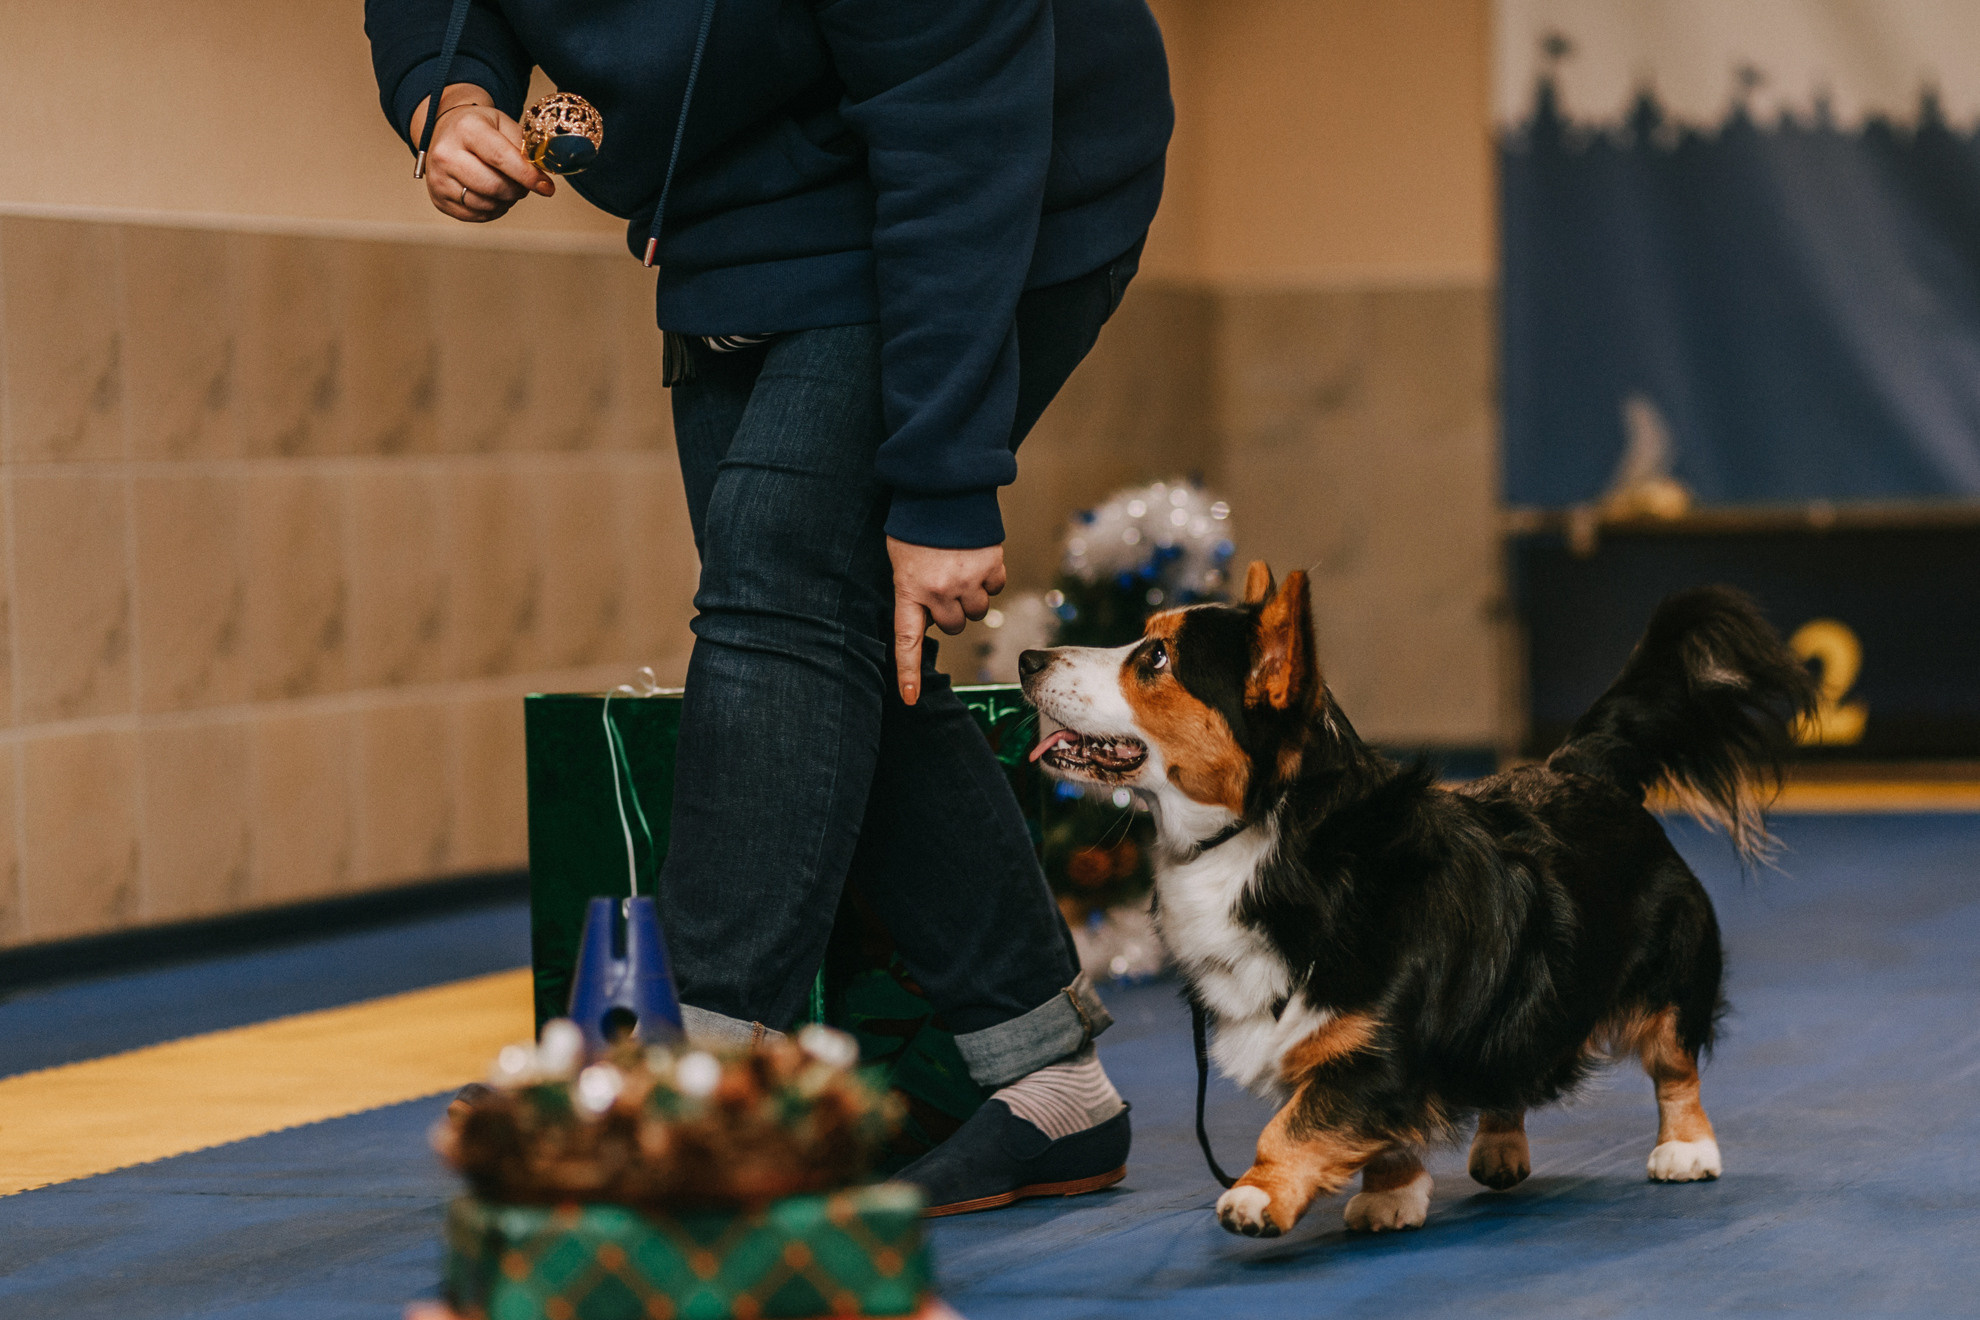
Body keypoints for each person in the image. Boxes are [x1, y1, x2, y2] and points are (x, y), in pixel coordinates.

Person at [366, 0, 1171, 1214]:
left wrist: (946, 484)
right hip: (730, 198)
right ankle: (1052, 1082)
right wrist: (450, 93)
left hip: (999, 180)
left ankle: (686, 1096)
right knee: (833, 645)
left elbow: (960, 147)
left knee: (783, 597)